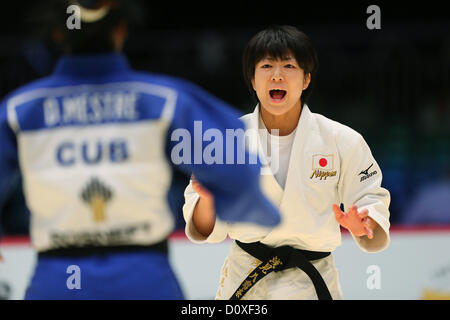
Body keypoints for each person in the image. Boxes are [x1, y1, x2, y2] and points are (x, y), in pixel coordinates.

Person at [0, 0, 280, 299]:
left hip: (58, 281)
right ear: (121, 30)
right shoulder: (163, 100)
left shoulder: (20, 111)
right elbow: (239, 171)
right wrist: (260, 213)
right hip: (145, 280)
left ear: (57, 33)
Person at [183, 25, 391, 300]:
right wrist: (208, 200)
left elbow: (370, 202)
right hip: (246, 279)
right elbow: (204, 227)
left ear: (306, 79)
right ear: (253, 80)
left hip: (313, 281)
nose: (277, 75)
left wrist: (364, 225)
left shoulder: (342, 140)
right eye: (267, 65)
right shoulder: (224, 141)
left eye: (289, 66)